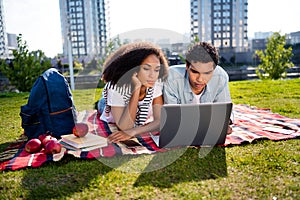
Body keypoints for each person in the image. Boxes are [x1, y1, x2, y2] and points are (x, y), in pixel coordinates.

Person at [99, 42, 169, 143]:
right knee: (102, 104)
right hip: (109, 104)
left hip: (127, 104)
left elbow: (159, 121)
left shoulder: (156, 83)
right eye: (146, 68)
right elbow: (125, 127)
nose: (152, 75)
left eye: (157, 70)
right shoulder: (116, 87)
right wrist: (136, 89)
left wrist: (134, 131)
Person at [163, 42, 233, 134]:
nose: (200, 79)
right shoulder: (171, 78)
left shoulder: (221, 76)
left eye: (207, 73)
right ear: (187, 67)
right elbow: (172, 119)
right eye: (195, 72)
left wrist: (223, 123)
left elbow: (224, 114)